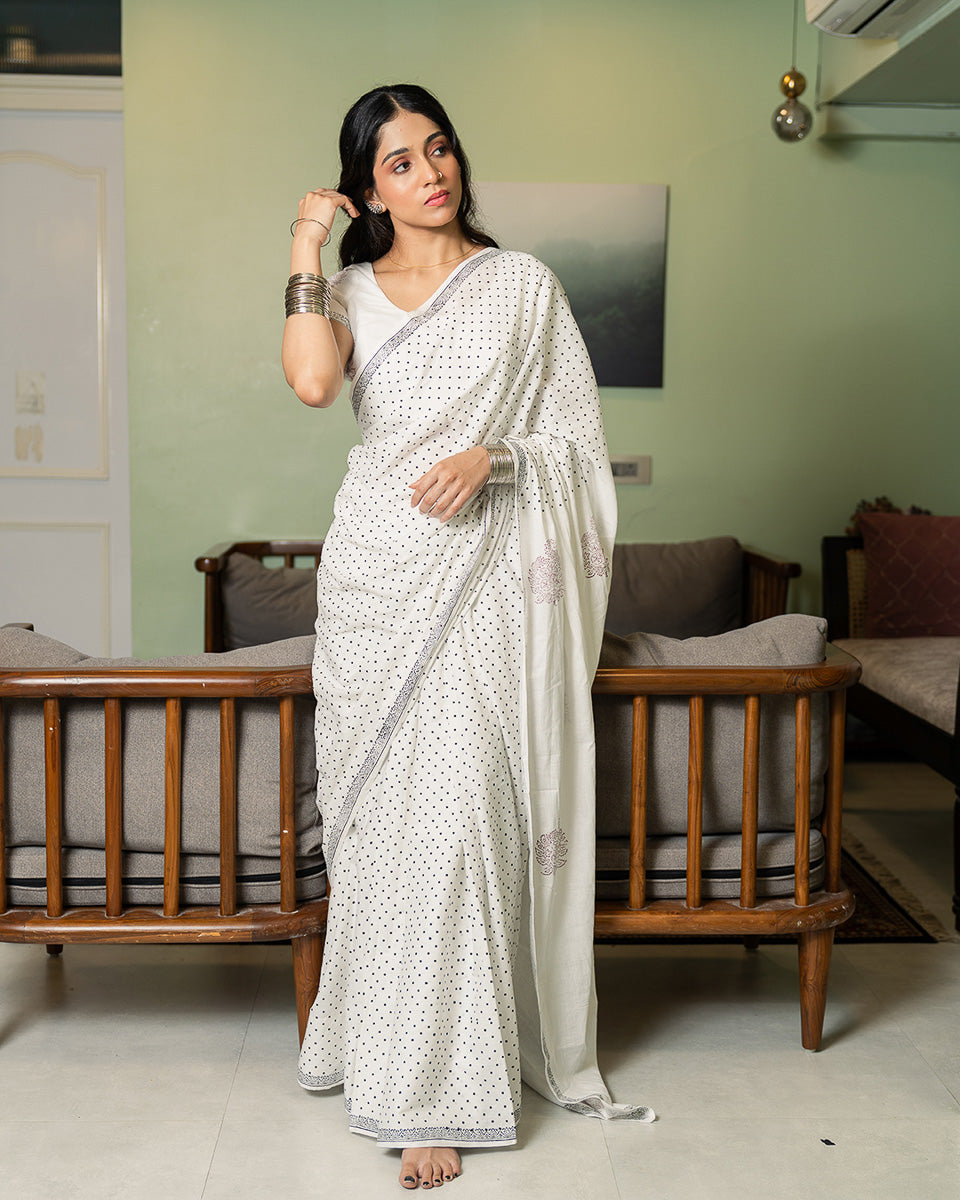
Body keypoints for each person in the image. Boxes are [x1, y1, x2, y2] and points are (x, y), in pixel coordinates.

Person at [281, 83, 653, 1192]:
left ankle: (438, 1095)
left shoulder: (522, 287)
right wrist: (305, 243)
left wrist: (498, 458)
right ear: (368, 190)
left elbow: (575, 444)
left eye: (437, 148)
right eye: (398, 162)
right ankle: (374, 1046)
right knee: (380, 836)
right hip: (372, 583)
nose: (431, 172)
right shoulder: (347, 289)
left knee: (460, 823)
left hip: (485, 576)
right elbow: (312, 383)